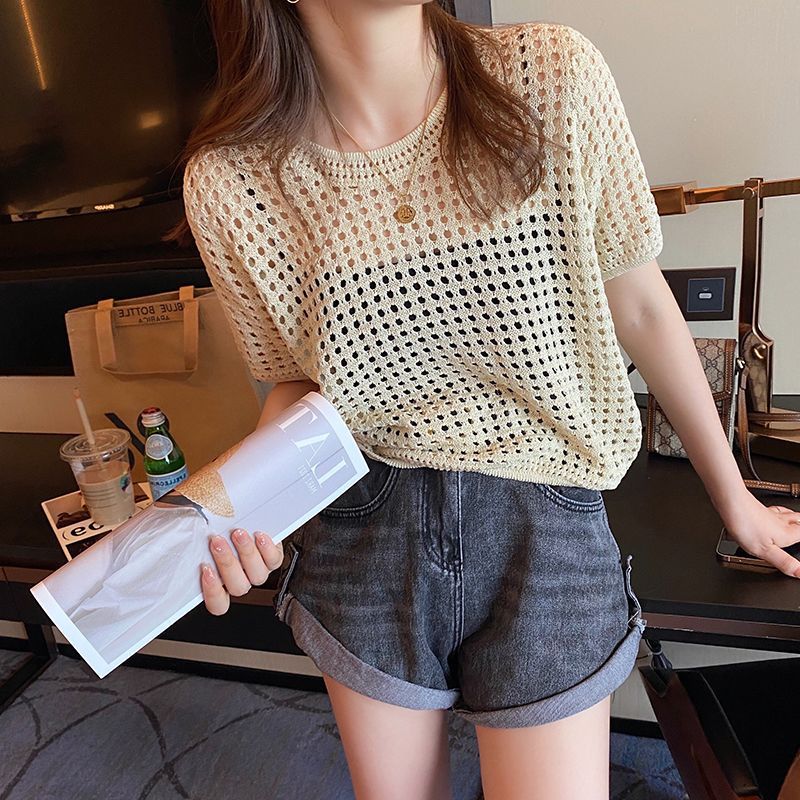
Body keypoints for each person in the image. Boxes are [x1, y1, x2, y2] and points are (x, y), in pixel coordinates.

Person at [165, 2, 800, 798]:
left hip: (546, 519)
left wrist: (736, 501)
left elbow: (639, 304)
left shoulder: (551, 75)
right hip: (366, 523)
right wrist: (240, 511)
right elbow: (298, 382)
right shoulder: (231, 180)